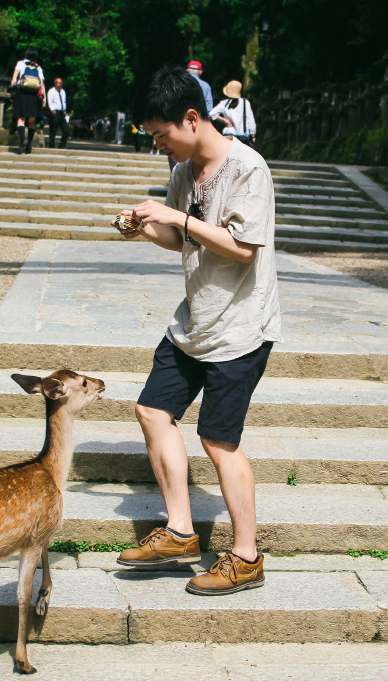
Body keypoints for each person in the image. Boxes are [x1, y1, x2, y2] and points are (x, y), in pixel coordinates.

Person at [111, 66, 281, 596]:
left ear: (191, 118)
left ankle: (246, 557)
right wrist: (145, 227)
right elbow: (185, 240)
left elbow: (240, 247)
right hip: (195, 320)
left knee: (218, 439)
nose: (159, 145)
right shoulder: (184, 169)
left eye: (161, 134)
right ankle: (181, 532)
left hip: (241, 326)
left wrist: (176, 218)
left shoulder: (248, 167)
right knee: (151, 409)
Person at [11, 48, 45, 154]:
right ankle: (29, 144)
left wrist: (13, 88)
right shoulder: (38, 67)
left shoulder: (21, 64)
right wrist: (44, 97)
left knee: (21, 118)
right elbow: (42, 84)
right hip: (34, 96)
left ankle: (22, 140)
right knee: (32, 121)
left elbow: (14, 79)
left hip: (22, 93)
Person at [209, 80, 257, 147]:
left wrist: (225, 121)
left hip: (228, 134)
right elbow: (251, 120)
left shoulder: (224, 103)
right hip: (242, 135)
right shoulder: (245, 103)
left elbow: (211, 114)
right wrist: (253, 135)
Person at [46, 77, 70, 149]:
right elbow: (50, 101)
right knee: (53, 130)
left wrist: (64, 111)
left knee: (66, 130)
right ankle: (51, 145)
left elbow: (64, 102)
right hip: (55, 112)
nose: (59, 84)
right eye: (57, 83)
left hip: (62, 113)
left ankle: (62, 145)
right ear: (55, 83)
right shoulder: (51, 91)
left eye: (60, 83)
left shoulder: (63, 92)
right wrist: (52, 110)